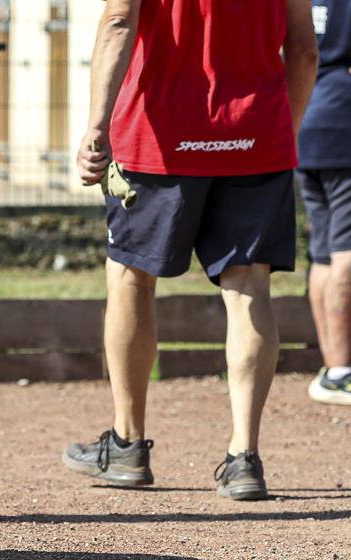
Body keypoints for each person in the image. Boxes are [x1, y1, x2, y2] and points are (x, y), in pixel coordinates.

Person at [62, 0, 318, 500]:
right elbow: (305, 51)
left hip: (158, 135)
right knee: (249, 286)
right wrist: (280, 130)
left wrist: (96, 126)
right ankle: (245, 458)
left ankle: (128, 445)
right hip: (255, 136)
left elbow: (118, 21)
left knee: (131, 277)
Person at [300, 0, 351, 404]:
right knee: (350, 254)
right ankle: (341, 372)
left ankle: (332, 366)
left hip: (303, 122)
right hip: (350, 126)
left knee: (323, 255)